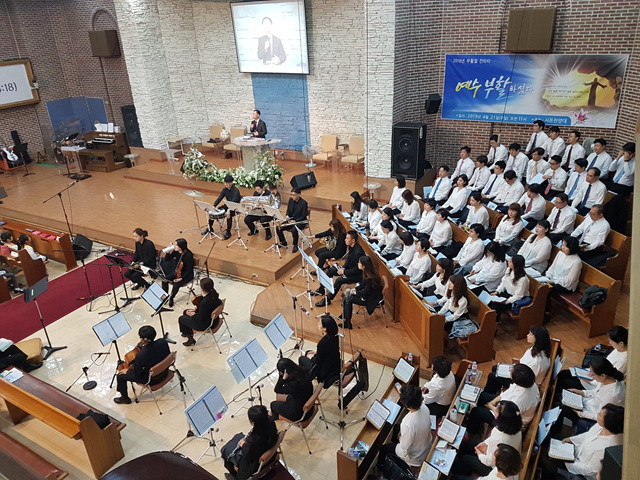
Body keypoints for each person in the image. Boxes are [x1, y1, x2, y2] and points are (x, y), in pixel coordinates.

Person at [540, 404, 624, 480]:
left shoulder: (607, 446)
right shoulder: (601, 426)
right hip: (576, 452)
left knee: (548, 464)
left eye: (600, 415)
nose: (597, 414)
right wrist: (571, 439)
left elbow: (590, 470)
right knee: (554, 438)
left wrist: (566, 461)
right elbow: (587, 435)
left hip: (581, 469)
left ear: (608, 423)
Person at [552, 357, 625, 434]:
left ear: (603, 375)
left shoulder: (612, 395)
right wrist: (581, 392)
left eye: (592, 374)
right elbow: (596, 392)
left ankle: (556, 433)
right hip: (587, 403)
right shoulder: (608, 380)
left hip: (588, 414)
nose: (590, 375)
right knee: (559, 395)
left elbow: (598, 416)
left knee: (558, 406)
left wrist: (579, 413)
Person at [452, 402, 522, 478]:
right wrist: (485, 443)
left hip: (493, 466)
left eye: (496, 412)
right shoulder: (514, 427)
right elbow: (493, 439)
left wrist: (480, 455)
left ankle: (457, 472)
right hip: (499, 457)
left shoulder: (500, 440)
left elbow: (490, 461)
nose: (494, 412)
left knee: (465, 460)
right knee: (470, 444)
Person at [467, 364, 539, 433]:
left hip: (510, 423)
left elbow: (501, 416)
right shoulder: (529, 383)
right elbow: (506, 394)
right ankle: (479, 422)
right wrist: (492, 402)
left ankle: (473, 433)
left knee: (476, 412)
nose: (510, 369)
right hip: (505, 406)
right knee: (481, 396)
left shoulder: (518, 401)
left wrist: (491, 407)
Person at [378, 384, 432, 469]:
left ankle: (381, 467)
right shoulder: (425, 408)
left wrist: (400, 437)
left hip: (416, 456)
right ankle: (395, 449)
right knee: (397, 427)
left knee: (384, 448)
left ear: (406, 405)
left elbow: (405, 446)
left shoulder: (408, 423)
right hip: (425, 443)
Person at [485, 325, 550, 395]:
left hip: (522, 382)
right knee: (495, 368)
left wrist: (512, 373)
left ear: (537, 339)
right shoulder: (536, 347)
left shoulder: (537, 362)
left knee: (492, 376)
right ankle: (495, 390)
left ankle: (487, 396)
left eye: (530, 334)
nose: (527, 335)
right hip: (520, 370)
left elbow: (528, 380)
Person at [114, 326, 170, 404]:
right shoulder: (163, 342)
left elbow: (136, 374)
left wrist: (127, 371)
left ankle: (125, 399)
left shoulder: (141, 355)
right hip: (165, 372)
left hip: (152, 380)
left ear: (143, 339)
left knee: (120, 376)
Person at [222, 405, 278, 480]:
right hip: (268, 450)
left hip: (254, 463)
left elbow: (248, 455)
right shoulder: (271, 422)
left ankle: (235, 476)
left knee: (225, 450)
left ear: (253, 423)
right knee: (237, 436)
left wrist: (243, 445)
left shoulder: (255, 439)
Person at [312, 230, 364, 307]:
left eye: (347, 238)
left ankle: (328, 300)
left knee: (339, 281)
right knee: (330, 270)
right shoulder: (352, 247)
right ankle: (321, 289)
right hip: (349, 270)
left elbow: (357, 270)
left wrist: (344, 272)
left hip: (357, 275)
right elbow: (348, 260)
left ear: (353, 240)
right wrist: (343, 268)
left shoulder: (358, 252)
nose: (345, 240)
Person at [340, 255, 383, 329]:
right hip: (368, 294)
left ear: (364, 266)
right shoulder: (367, 273)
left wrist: (354, 292)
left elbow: (366, 292)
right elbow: (362, 285)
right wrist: (353, 289)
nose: (358, 264)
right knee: (345, 296)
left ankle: (348, 323)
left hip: (371, 299)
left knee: (348, 299)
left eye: (359, 263)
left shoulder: (370, 278)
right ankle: (345, 315)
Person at [178, 277, 222, 347]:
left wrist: (193, 314)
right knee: (185, 312)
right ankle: (188, 332)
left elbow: (200, 318)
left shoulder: (204, 302)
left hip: (206, 325)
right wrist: (195, 311)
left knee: (181, 319)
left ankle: (190, 339)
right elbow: (208, 309)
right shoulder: (215, 295)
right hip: (214, 320)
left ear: (202, 288)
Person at [487, 254, 530, 324]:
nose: (508, 262)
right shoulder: (509, 270)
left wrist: (506, 301)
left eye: (510, 262)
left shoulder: (523, 279)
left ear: (516, 264)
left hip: (515, 300)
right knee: (490, 299)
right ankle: (489, 321)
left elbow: (518, 296)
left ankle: (494, 324)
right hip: (507, 294)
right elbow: (503, 283)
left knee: (496, 305)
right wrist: (497, 291)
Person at [298, 315, 340, 385]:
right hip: (334, 364)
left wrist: (311, 357)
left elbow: (318, 361)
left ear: (325, 329)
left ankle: (306, 380)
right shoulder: (335, 336)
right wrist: (317, 353)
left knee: (302, 359)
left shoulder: (322, 343)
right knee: (308, 352)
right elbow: (329, 351)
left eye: (320, 323)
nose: (318, 324)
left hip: (325, 371)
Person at [452, 443, 522, 480]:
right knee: (466, 459)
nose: (492, 455)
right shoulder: (509, 469)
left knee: (455, 478)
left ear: (500, 463)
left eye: (494, 456)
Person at [545, 235, 583, 299]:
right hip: (553, 279)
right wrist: (548, 276)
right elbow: (552, 268)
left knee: (547, 289)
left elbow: (569, 280)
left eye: (566, 246)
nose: (563, 247)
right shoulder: (560, 253)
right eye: (562, 245)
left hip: (566, 286)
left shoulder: (577, 262)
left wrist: (554, 281)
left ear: (572, 247)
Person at [160, 238, 195, 307]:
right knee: (164, 280)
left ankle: (171, 298)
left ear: (181, 247)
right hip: (177, 272)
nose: (174, 246)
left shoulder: (189, 255)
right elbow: (167, 259)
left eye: (176, 245)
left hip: (186, 275)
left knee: (176, 285)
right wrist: (168, 252)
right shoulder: (176, 252)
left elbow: (189, 270)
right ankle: (165, 296)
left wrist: (181, 278)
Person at [276, 188, 309, 253]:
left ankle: (295, 245)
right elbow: (288, 210)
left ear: (299, 194)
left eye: (294, 195)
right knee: (278, 227)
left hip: (300, 221)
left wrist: (295, 221)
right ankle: (283, 242)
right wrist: (287, 215)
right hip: (291, 220)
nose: (292, 196)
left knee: (294, 229)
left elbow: (303, 216)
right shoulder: (290, 200)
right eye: (291, 195)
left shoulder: (304, 203)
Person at [213, 175, 242, 240]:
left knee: (229, 215)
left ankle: (228, 232)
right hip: (227, 205)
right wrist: (213, 206)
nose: (226, 184)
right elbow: (219, 198)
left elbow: (234, 201)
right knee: (213, 211)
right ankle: (210, 228)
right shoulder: (225, 189)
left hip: (235, 207)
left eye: (227, 183)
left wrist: (228, 210)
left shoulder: (236, 190)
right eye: (225, 183)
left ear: (231, 182)